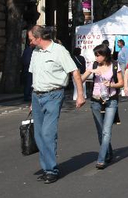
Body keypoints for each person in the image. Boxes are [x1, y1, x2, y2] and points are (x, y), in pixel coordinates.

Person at [28, 25, 85, 183]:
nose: (30, 42)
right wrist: (32, 101)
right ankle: (46, 168)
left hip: (54, 94)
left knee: (48, 133)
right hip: (37, 95)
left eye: (31, 39)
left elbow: (74, 71)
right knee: (39, 134)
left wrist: (80, 95)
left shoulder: (59, 51)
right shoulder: (36, 53)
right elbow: (34, 77)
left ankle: (52, 170)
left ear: (39, 38)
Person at [81, 44, 124, 169]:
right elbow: (80, 79)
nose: (96, 58)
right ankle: (108, 152)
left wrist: (111, 84)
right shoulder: (93, 65)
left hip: (111, 100)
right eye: (95, 55)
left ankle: (101, 159)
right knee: (100, 130)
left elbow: (120, 83)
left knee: (106, 130)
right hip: (96, 100)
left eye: (98, 55)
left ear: (105, 55)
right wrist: (90, 71)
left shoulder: (115, 65)